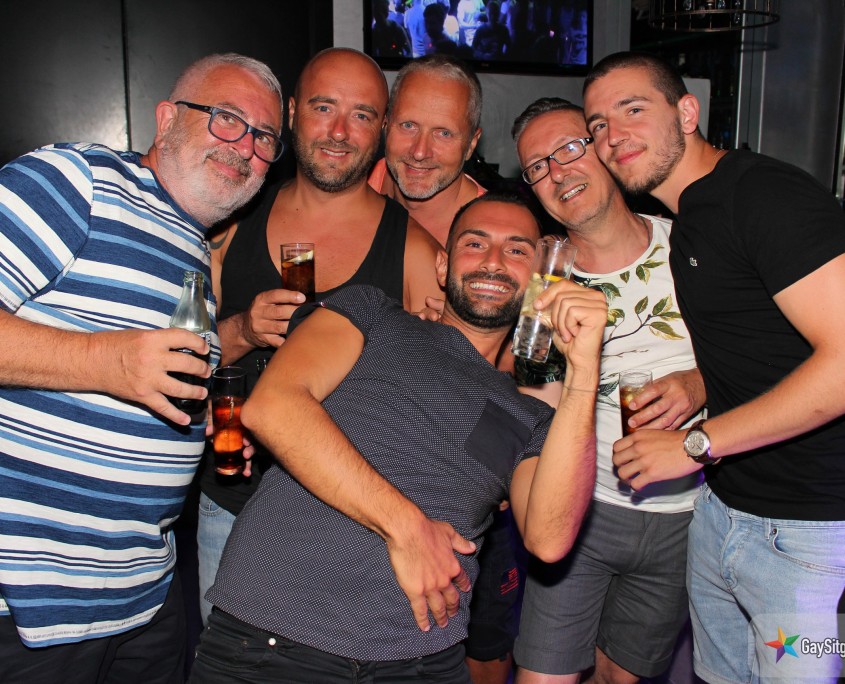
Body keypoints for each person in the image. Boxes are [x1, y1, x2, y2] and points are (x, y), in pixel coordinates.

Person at [191, 192, 608, 683]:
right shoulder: (371, 311)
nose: (494, 261)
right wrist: (408, 530)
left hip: (424, 659)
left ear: (540, 280)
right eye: (475, 244)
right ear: (442, 264)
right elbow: (273, 407)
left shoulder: (531, 415)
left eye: (517, 250)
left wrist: (585, 368)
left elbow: (549, 538)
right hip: (274, 639)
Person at [0, 53, 283, 683]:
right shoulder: (78, 181)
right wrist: (107, 362)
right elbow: (117, 363)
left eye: (265, 138)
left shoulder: (192, 247)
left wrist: (204, 425)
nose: (245, 146)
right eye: (227, 118)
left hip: (144, 594)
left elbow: (155, 386)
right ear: (167, 119)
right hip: (32, 599)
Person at [583, 51, 845, 683]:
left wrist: (695, 444)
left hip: (810, 534)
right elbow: (769, 340)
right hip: (722, 511)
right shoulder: (690, 220)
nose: (613, 135)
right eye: (597, 125)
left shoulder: (763, 194)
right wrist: (699, 383)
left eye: (632, 110)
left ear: (687, 112)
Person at [196, 47, 442, 624]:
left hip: (351, 525)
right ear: (291, 112)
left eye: (361, 115)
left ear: (382, 128)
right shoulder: (232, 220)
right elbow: (173, 357)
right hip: (231, 505)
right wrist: (242, 330)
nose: (338, 132)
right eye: (323, 107)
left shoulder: (413, 250)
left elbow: (450, 390)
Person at [510, 97, 705, 684]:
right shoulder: (545, 287)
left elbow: (763, 361)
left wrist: (699, 384)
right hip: (583, 514)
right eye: (537, 166)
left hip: (686, 521)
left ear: (604, 147)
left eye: (570, 148)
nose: (557, 172)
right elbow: (533, 410)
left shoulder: (693, 247)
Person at [369, 54, 518, 684]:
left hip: (468, 485)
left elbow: (531, 367)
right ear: (385, 124)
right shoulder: (347, 193)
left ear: (473, 141)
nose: (421, 151)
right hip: (354, 475)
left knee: (477, 646)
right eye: (408, 126)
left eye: (444, 132)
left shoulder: (504, 230)